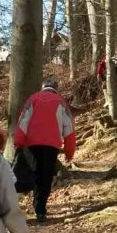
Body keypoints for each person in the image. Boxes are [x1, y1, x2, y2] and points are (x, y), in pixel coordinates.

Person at [14, 78, 76, 222]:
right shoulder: (61, 102)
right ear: (56, 88)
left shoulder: (33, 99)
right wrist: (69, 151)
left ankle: (25, 205)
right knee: (46, 176)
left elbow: (23, 121)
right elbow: (69, 128)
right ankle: (40, 210)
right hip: (51, 145)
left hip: (32, 144)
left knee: (33, 172)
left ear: (43, 87)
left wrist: (19, 141)